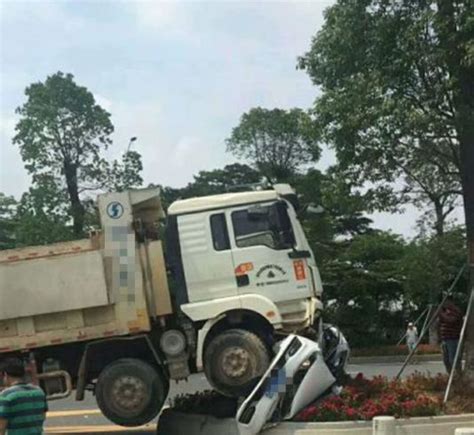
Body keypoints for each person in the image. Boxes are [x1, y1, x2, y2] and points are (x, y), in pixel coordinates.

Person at [0, 358, 48, 434]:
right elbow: (42, 417)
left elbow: (1, 428)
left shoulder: (6, 396)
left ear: (5, 375)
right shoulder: (39, 392)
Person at [438, 297, 464, 374]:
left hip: (453, 338)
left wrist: (441, 314)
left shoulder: (456, 311)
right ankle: (451, 374)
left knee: (453, 359)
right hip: (445, 339)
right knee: (446, 360)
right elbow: (439, 323)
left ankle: (457, 374)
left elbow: (451, 320)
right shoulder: (445, 312)